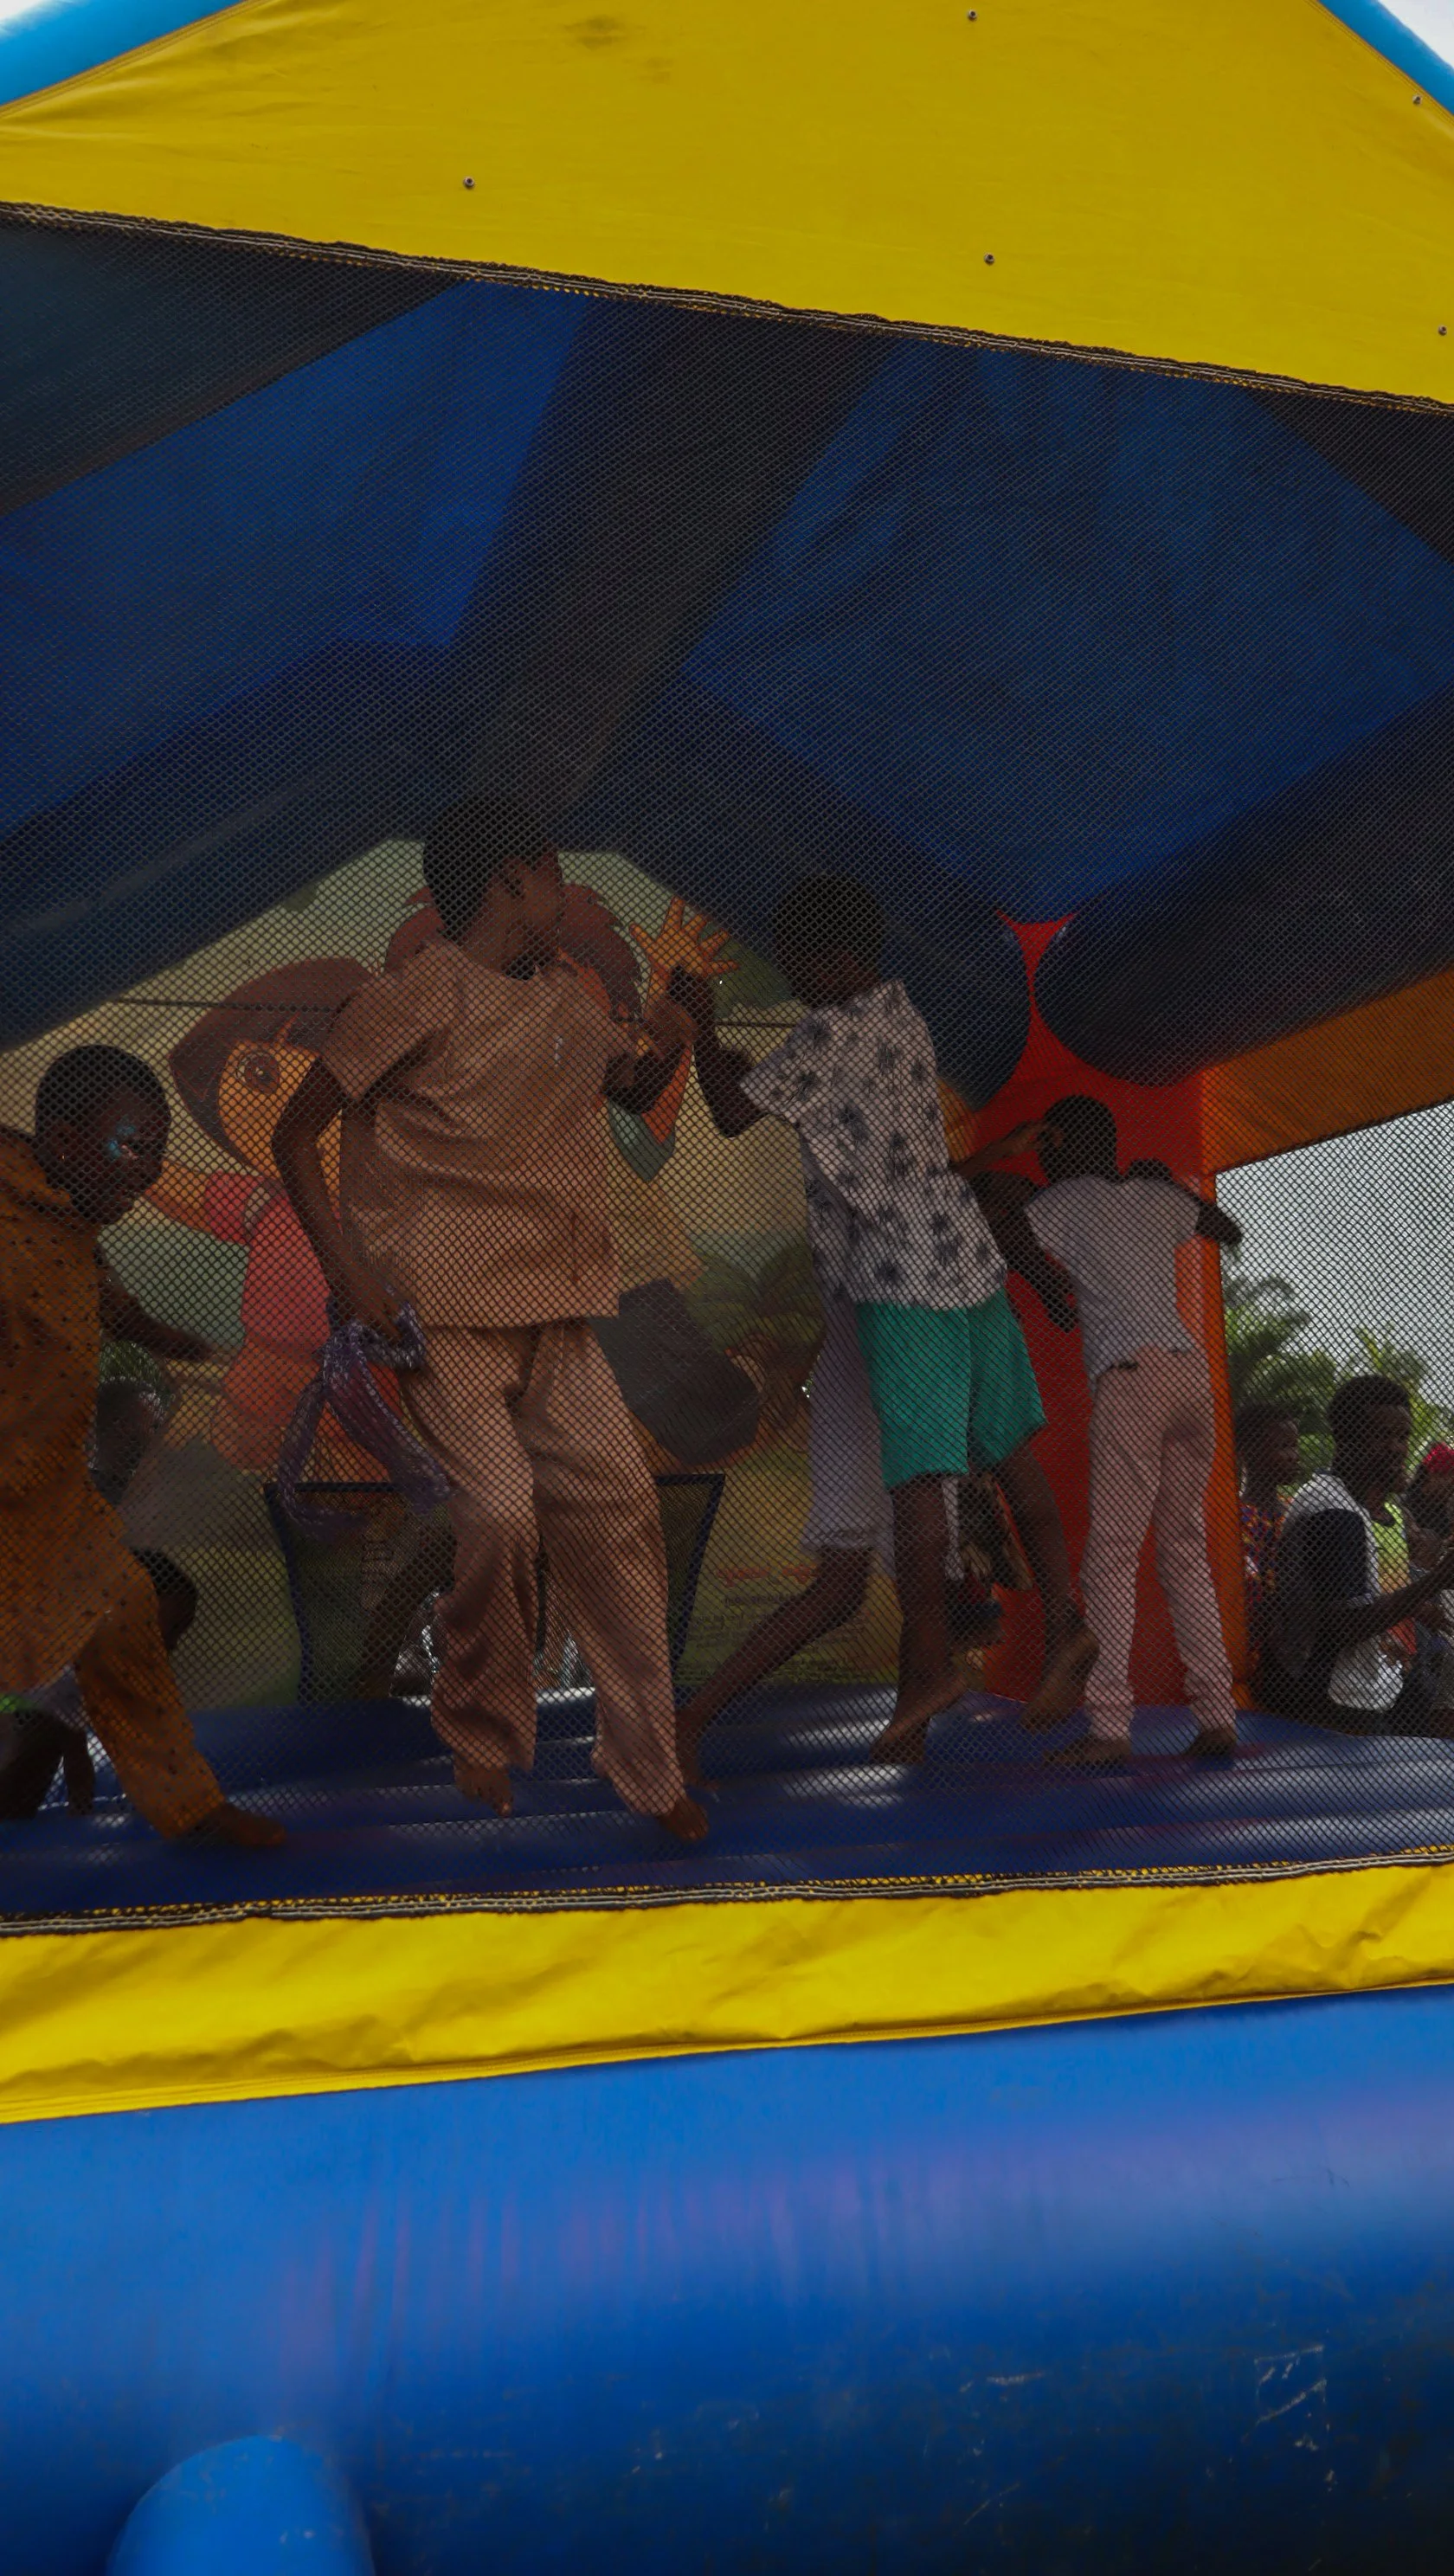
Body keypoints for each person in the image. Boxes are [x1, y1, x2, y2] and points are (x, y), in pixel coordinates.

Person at [273, 798, 708, 1839]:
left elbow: (634, 1078)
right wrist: (349, 1273)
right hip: (444, 1312)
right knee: (504, 1509)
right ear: (514, 880)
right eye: (554, 875)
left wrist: (677, 1029)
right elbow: (298, 1135)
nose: (562, 896)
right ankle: (475, 1723)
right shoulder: (414, 996)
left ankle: (650, 1764)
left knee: (618, 1512)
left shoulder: (565, 998)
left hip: (555, 1306)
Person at [672, 873, 1095, 1767]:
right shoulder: (903, 1012)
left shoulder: (826, 1034)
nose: (794, 986)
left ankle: (930, 1673)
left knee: (916, 1501)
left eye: (798, 969)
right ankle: (1063, 1626)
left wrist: (702, 1032)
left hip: (896, 1277)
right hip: (962, 1254)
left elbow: (730, 1106)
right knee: (1010, 1463)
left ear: (832, 960)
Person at [0, 1046, 283, 1844]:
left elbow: (111, 1304)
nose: (145, 1173)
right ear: (60, 1141)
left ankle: (189, 1811)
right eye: (130, 1147)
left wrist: (201, 1353)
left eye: (156, 1155)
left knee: (126, 1614)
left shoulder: (71, 1222)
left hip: (48, 1498)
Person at [1024, 1098, 1242, 1764]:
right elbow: (1226, 1230)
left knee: (1113, 1557)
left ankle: (1110, 1727)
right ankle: (1217, 1714)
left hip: (1131, 1374)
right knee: (1183, 1549)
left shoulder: (1062, 1201)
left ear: (1058, 1145)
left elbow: (1011, 1227)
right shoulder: (1155, 1194)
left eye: (1046, 1147)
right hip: (1188, 1375)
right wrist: (1166, 1185)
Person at [1262, 1376, 1454, 1733]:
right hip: (1329, 1702)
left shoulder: (1351, 1505)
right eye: (1382, 1436)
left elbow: (1368, 1598)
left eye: (1403, 1437)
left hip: (1361, 1687)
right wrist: (1438, 1579)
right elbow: (1346, 1624)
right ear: (1345, 1438)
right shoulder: (1334, 1513)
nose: (1397, 1448)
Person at [1235, 1401, 1302, 1673]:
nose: (1293, 1456)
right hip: (1257, 1655)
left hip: (1294, 1651)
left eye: (1294, 1446)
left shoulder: (1293, 1508)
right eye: (1283, 1447)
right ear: (1249, 1453)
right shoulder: (1240, 1519)